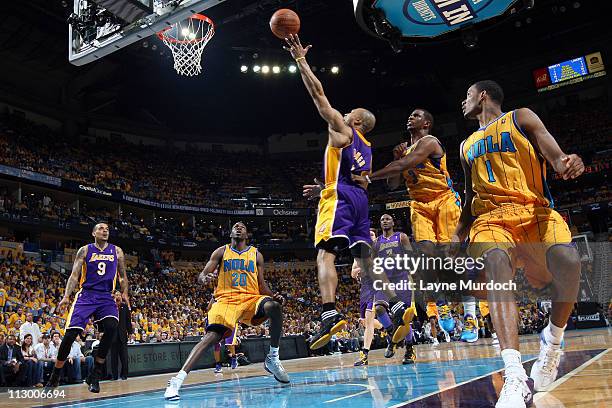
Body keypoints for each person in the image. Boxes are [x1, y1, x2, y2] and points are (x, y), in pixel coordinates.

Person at [453, 80, 584, 408]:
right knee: (496, 264)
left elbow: (553, 154)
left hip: (534, 212)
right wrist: (457, 235)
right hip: (490, 219)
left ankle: (552, 342)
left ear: (482, 95)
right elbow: (470, 195)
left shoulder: (521, 117)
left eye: (467, 95)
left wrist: (565, 162)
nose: (462, 101)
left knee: (569, 261)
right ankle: (514, 376)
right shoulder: (466, 144)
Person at [287, 34, 412, 350]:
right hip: (359, 201)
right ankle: (397, 304)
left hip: (339, 196)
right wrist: (325, 186)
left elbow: (318, 94)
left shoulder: (343, 130)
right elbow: (358, 177)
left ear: (355, 120)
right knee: (366, 261)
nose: (341, 116)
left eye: (347, 115)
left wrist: (301, 59)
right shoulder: (367, 148)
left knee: (325, 254)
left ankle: (329, 313)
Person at [350, 109, 469, 340]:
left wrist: (368, 177)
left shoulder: (430, 142)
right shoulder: (404, 149)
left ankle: (471, 312)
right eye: (410, 115)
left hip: (443, 200)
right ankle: (442, 304)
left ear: (426, 122)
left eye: (415, 115)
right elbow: (394, 183)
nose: (410, 117)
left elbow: (406, 163)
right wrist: (396, 160)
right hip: (419, 205)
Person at [164, 222, 289, 401]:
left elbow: (261, 284)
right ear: (230, 232)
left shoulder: (256, 254)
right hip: (226, 300)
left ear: (247, 234)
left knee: (274, 307)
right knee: (211, 337)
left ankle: (273, 358)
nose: (238, 227)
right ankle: (176, 381)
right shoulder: (221, 252)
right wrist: (204, 278)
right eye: (235, 226)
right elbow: (201, 276)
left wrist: (273, 296)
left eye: (242, 226)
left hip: (250, 298)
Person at [46, 223, 129, 393]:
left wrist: (125, 293)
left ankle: (95, 374)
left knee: (112, 328)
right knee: (70, 335)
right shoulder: (84, 250)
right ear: (93, 233)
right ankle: (55, 376)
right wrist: (66, 296)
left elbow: (123, 276)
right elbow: (74, 275)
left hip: (107, 296)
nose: (105, 230)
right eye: (101, 228)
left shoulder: (117, 251)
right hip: (86, 295)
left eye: (107, 229)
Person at [371, 214, 418, 364]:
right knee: (378, 309)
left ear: (393, 222)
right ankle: (393, 336)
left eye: (388, 219)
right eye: (382, 219)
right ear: (380, 223)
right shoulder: (376, 243)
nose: (385, 221)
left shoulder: (401, 237)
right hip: (385, 282)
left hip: (401, 279)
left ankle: (409, 349)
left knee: (404, 319)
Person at [352, 229, 383, 367]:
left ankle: (364, 355)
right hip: (364, 289)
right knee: (364, 321)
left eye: (371, 234)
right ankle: (385, 327)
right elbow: (353, 273)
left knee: (369, 321)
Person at [111, 290, 132, 380]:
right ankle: (114, 376)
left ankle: (124, 375)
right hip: (113, 336)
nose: (118, 296)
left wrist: (130, 332)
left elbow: (128, 321)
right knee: (113, 358)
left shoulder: (125, 306)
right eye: (116, 295)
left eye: (119, 295)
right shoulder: (110, 306)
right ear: (114, 296)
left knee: (124, 358)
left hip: (123, 336)